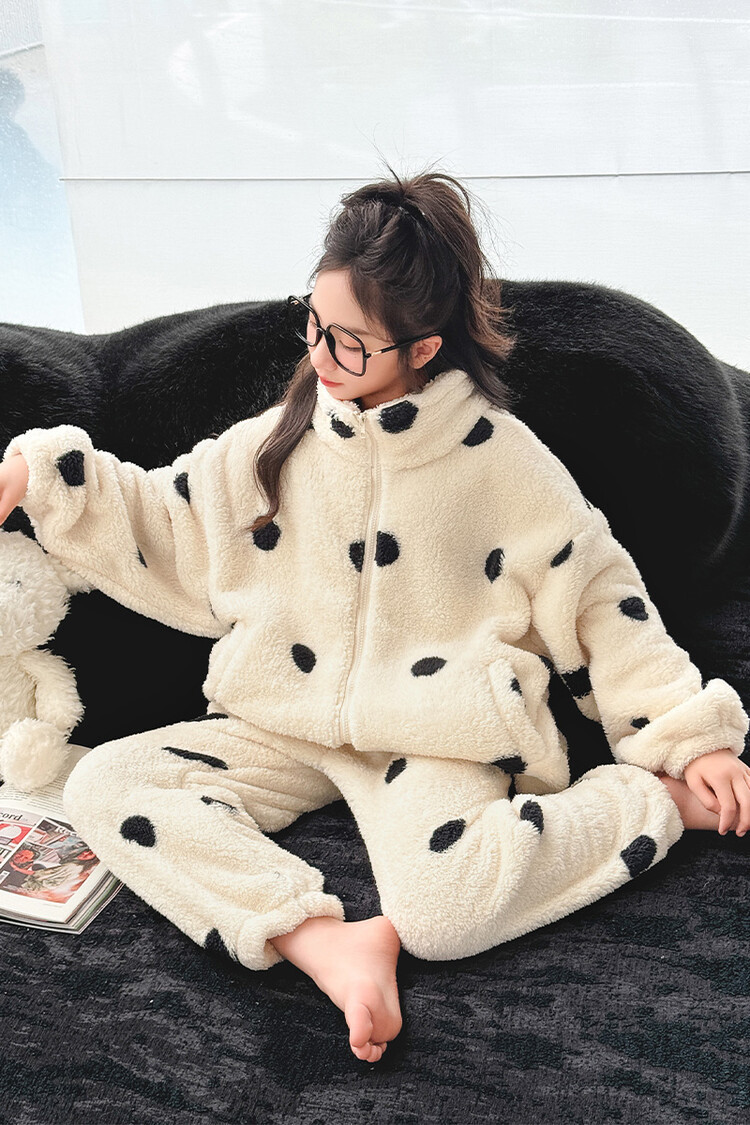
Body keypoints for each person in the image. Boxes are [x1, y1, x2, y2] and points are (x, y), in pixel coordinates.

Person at [1, 168, 749, 1066]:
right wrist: (45, 478)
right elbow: (171, 514)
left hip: (434, 737)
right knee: (106, 783)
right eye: (313, 323)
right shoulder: (283, 437)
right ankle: (323, 942)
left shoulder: (504, 464)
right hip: (279, 720)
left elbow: (600, 599)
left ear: (423, 346)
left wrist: (683, 738)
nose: (321, 355)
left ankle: (649, 808)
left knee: (445, 912)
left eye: (350, 342)